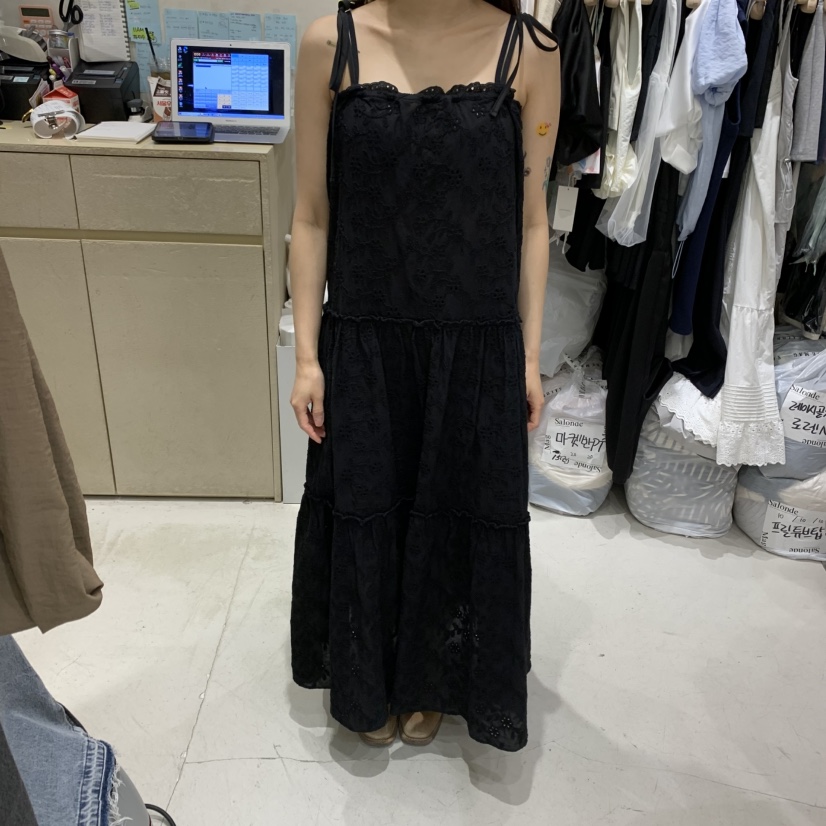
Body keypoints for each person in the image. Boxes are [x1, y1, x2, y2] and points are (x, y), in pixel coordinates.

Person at [289, 0, 560, 752]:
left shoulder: (530, 51)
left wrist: (528, 358)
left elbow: (532, 222)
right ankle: (369, 677)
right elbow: (311, 215)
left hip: (475, 347)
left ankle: (431, 675)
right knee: (369, 506)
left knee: (454, 509)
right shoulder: (331, 43)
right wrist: (307, 357)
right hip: (365, 343)